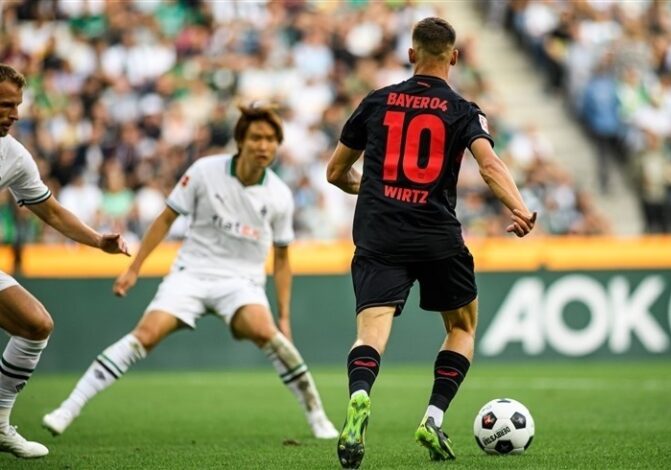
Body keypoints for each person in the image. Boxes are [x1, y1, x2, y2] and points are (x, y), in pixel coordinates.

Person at [42, 103, 339, 440]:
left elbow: (283, 260)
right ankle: (68, 408)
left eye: (272, 139)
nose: (264, 146)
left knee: (270, 335)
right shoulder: (204, 171)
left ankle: (317, 417)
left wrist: (284, 315)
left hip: (242, 282)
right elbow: (166, 219)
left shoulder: (280, 195)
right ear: (241, 140)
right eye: (257, 137)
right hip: (191, 273)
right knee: (145, 337)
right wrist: (135, 269)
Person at [326, 17, 537, 469]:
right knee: (461, 329)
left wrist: (372, 187)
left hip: (379, 232)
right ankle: (433, 416)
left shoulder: (376, 101)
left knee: (371, 334)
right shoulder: (463, 110)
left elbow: (334, 173)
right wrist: (518, 207)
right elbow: (490, 165)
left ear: (411, 54)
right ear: (455, 57)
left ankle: (360, 396)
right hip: (436, 234)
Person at [0, 63, 130, 458]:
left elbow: (52, 212)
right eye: (5, 104)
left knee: (35, 324)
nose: (15, 113)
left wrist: (97, 241)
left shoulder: (13, 156)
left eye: (17, 104)